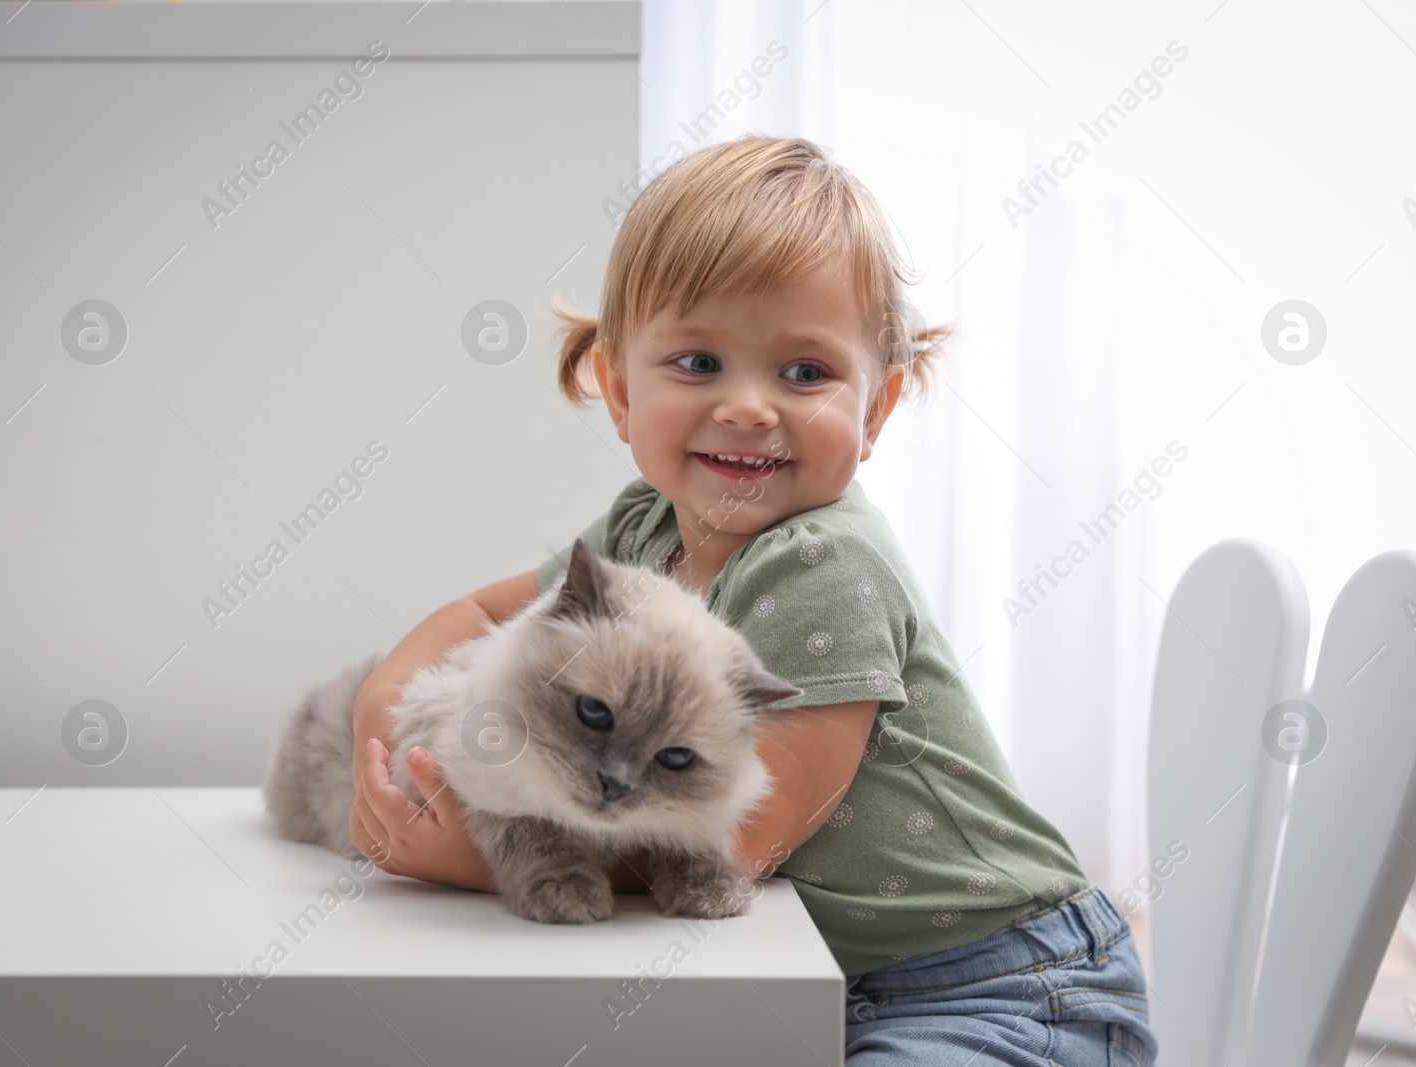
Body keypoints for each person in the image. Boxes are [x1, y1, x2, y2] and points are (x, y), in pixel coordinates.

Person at [347, 133, 1158, 1066]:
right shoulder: (640, 531)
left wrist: (483, 854)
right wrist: (386, 724)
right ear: (616, 386)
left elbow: (738, 843)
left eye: (805, 372)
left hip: (996, 982)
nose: (747, 407)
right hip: (816, 981)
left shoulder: (823, 562)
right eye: (698, 362)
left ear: (877, 407)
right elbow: (480, 618)